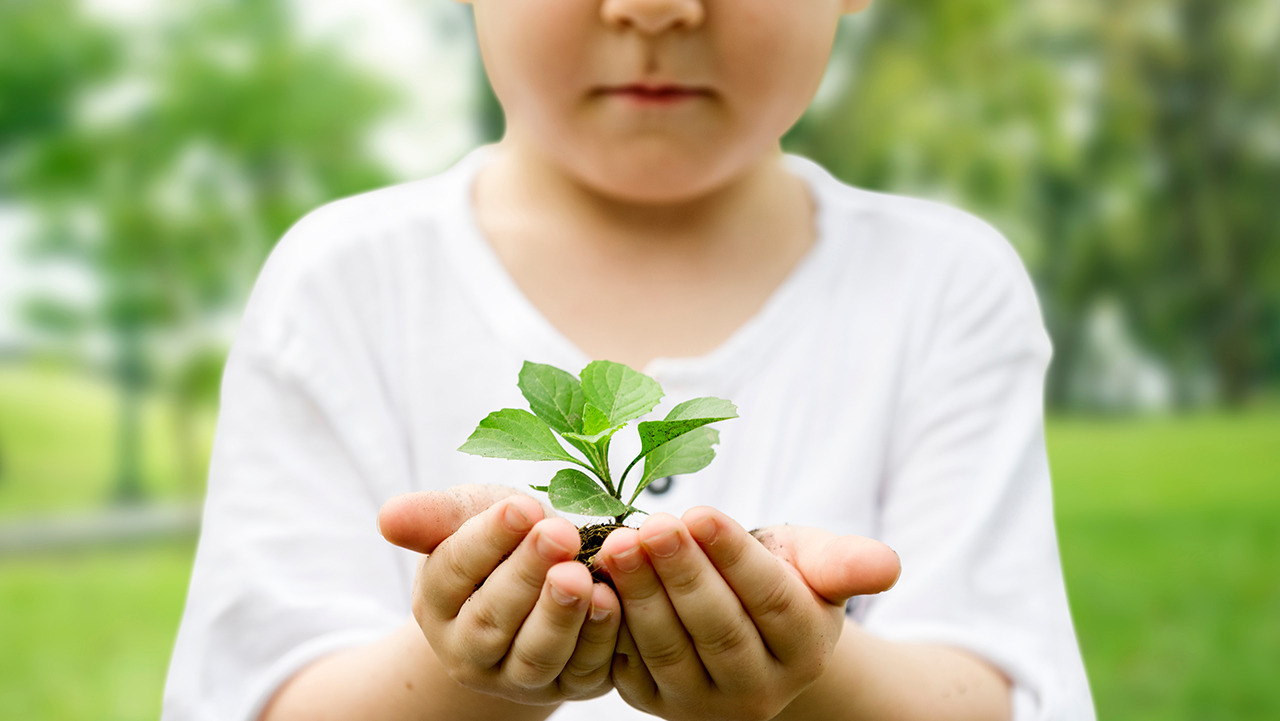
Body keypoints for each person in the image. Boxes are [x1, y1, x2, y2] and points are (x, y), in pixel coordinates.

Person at [163, 0, 1095, 719]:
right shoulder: (341, 283)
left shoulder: (943, 283)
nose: (654, 8)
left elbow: (997, 690)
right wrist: (466, 665)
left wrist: (808, 664)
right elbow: (259, 691)